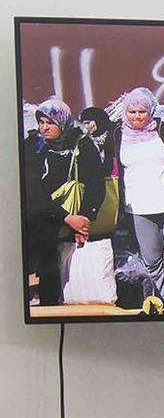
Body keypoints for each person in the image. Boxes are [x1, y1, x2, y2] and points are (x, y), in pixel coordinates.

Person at [103, 88, 164, 301]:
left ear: (151, 111)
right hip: (138, 208)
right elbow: (110, 170)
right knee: (152, 259)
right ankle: (162, 299)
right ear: (125, 112)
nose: (137, 116)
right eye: (132, 112)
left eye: (142, 112)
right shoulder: (116, 135)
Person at [23, 97, 106, 305]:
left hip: (77, 216)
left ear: (63, 122)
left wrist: (84, 221)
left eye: (50, 123)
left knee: (73, 275)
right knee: (48, 272)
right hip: (43, 219)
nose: (44, 128)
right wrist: (66, 218)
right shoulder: (32, 146)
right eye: (41, 122)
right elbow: (31, 191)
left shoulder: (82, 144)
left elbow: (96, 184)